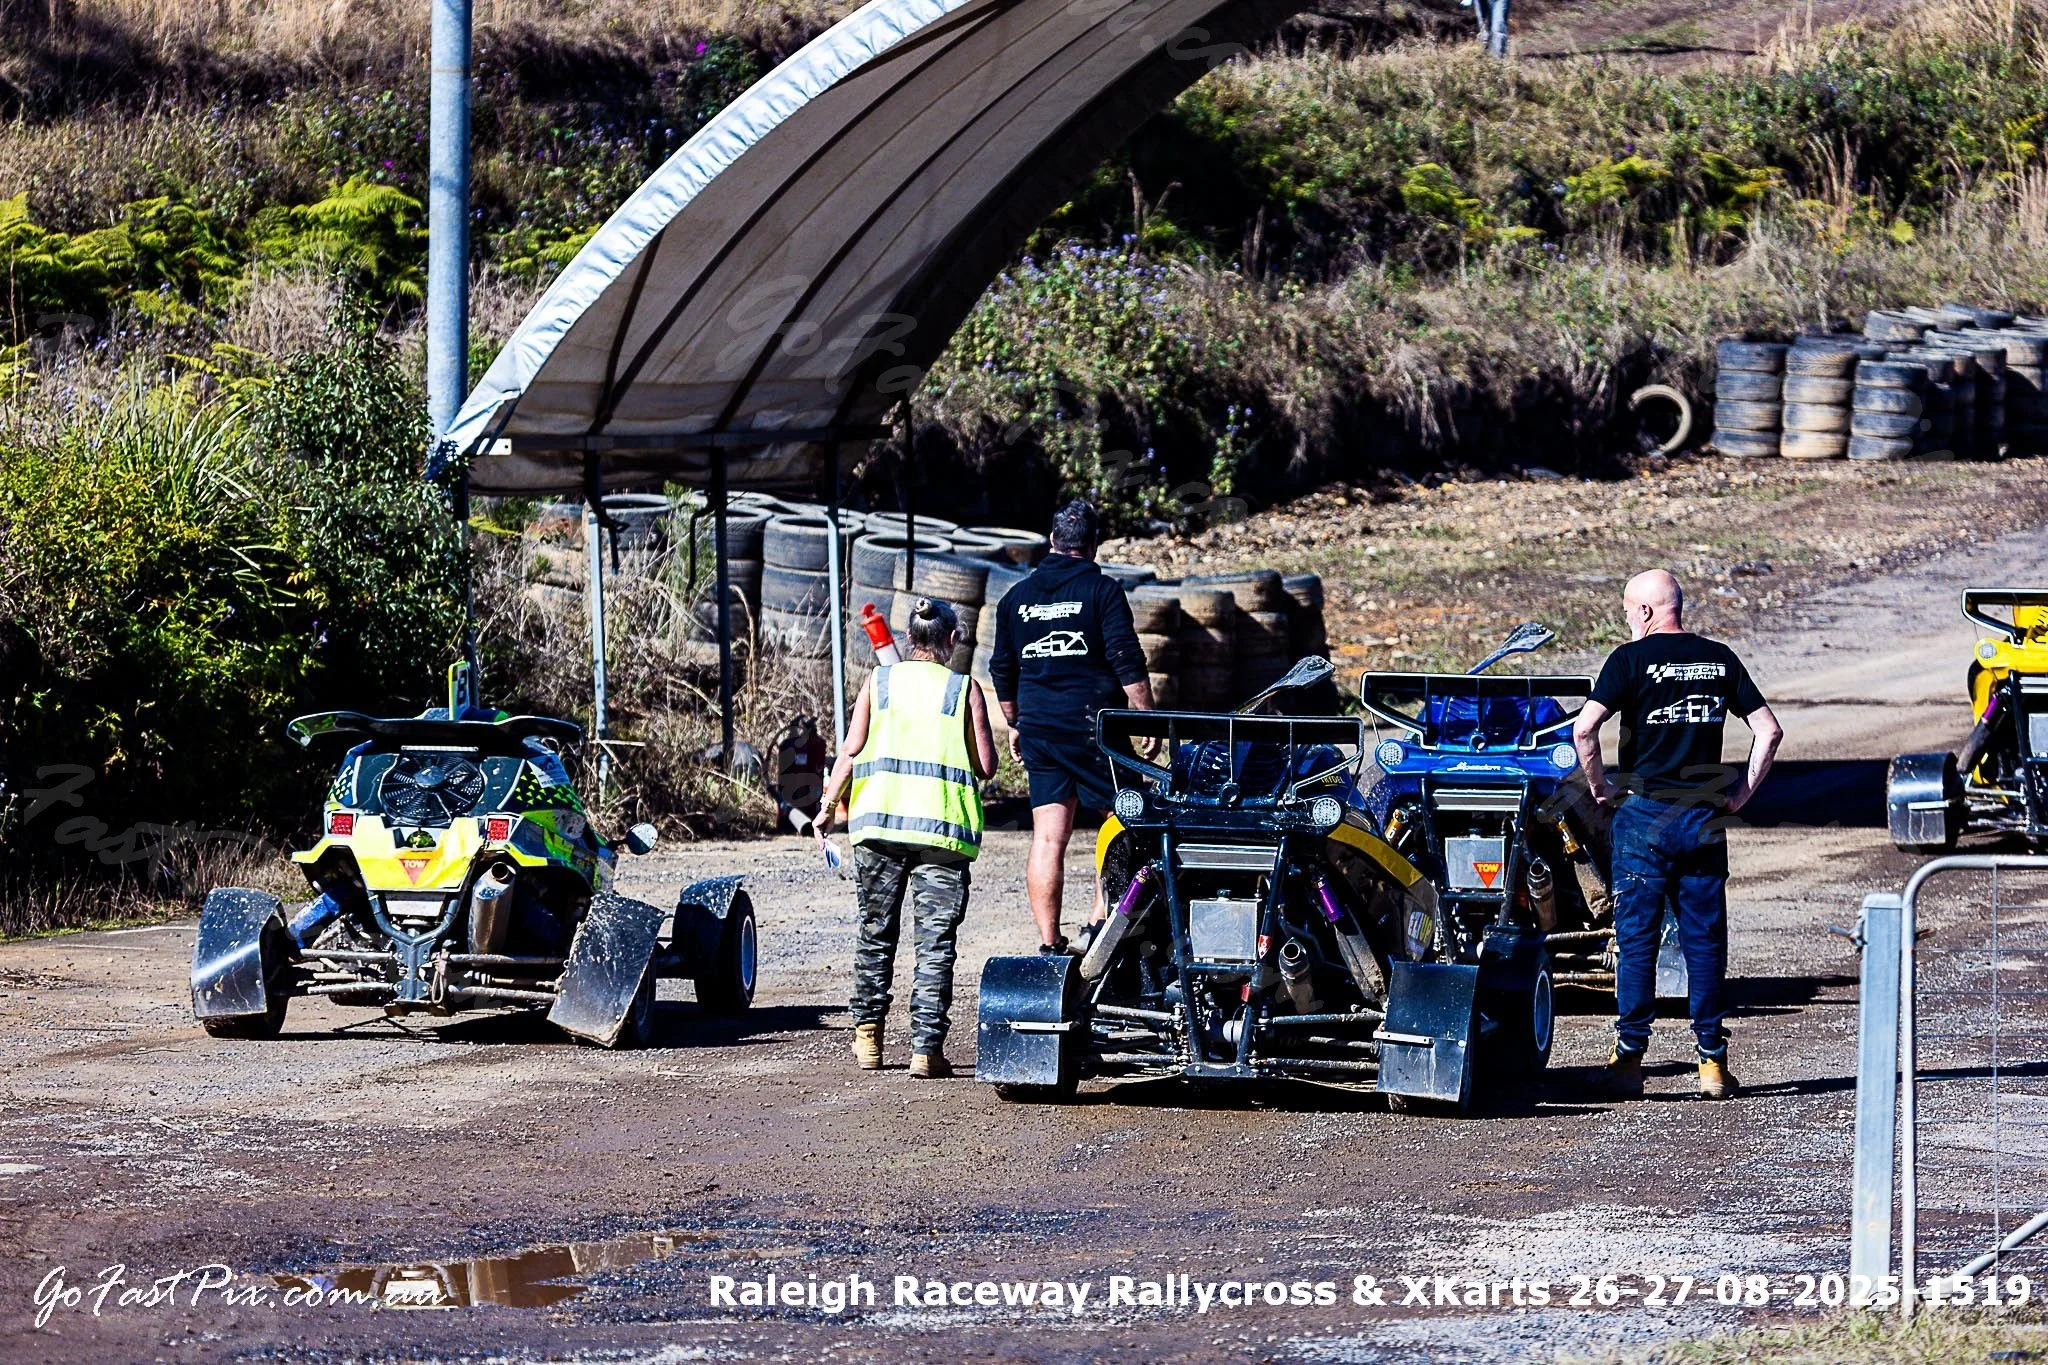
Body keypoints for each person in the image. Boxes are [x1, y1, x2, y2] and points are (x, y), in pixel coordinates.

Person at [1572, 569, 1783, 1101]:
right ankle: (1712, 1062)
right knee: (1704, 941)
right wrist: (1739, 794)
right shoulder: (1719, 658)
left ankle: (1629, 1060)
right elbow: (1769, 730)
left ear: (1645, 611)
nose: (1625, 618)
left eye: (1627, 609)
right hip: (1703, 819)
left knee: (1637, 940)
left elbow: (1584, 728)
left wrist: (1599, 787)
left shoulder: (1628, 660)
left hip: (1644, 817)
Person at [815, 598, 998, 1079]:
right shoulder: (964, 689)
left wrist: (827, 808)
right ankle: (925, 1049)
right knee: (935, 943)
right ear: (952, 640)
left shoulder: (878, 682)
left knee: (875, 932)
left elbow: (851, 751)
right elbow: (986, 765)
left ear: (910, 637)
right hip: (942, 833)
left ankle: (868, 1039)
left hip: (879, 829)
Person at [987, 500, 1153, 954]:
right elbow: (1126, 660)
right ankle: (1100, 922)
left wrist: (1015, 722)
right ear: (1094, 544)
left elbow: (1003, 669)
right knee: (1122, 821)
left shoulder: (1015, 599)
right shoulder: (1103, 591)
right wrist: (1146, 716)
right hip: (1094, 728)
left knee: (1048, 836)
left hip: (1039, 728)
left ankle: (1049, 940)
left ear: (1052, 541)